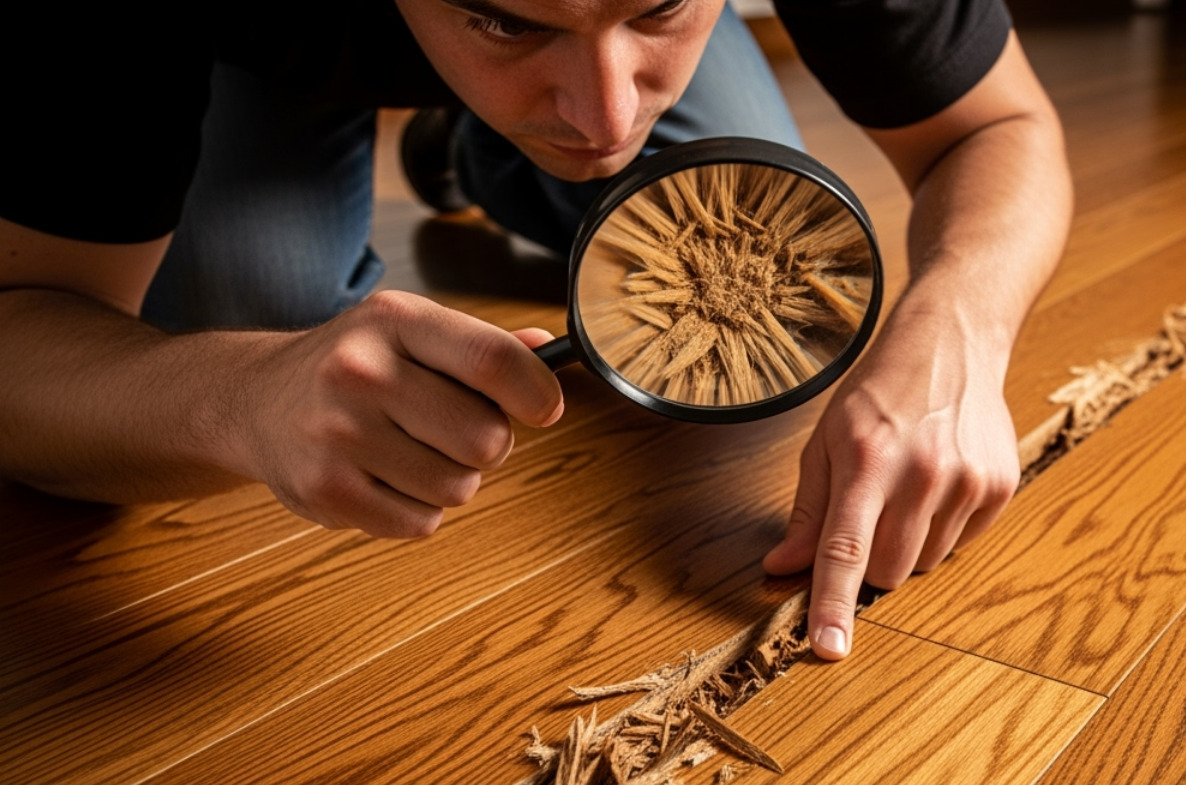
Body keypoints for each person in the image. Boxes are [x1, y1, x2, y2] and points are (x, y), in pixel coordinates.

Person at [0, 0, 1071, 661]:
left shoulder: (591, 93)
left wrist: (959, 325)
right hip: (247, 44)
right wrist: (245, 394)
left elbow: (999, 124)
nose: (608, 117)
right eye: (507, 17)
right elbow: (24, 329)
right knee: (249, 312)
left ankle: (474, 147)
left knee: (757, 227)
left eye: (657, 6)